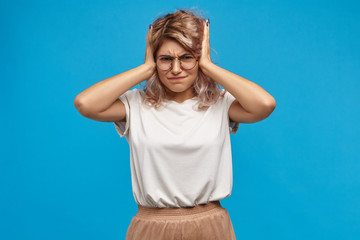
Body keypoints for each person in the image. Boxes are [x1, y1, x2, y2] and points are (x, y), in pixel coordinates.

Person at [74, 8, 276, 240]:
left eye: (187, 58)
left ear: (200, 58)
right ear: (155, 60)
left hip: (210, 226)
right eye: (166, 59)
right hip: (152, 226)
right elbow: (85, 103)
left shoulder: (220, 103)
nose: (176, 69)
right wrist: (145, 69)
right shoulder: (135, 104)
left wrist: (209, 67)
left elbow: (265, 104)